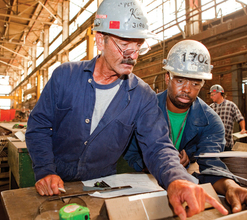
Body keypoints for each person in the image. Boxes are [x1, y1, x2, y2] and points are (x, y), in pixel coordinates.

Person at [26, 0, 232, 219]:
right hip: (53, 183)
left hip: (100, 188)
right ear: (99, 40)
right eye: (125, 45)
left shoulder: (142, 96)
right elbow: (38, 126)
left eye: (138, 46)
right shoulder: (64, 77)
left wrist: (176, 179)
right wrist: (45, 170)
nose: (132, 55)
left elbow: (158, 146)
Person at [124, 39, 247, 214]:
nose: (187, 89)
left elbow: (211, 166)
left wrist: (230, 186)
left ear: (202, 85)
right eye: (180, 81)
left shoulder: (211, 123)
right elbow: (129, 154)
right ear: (167, 77)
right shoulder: (144, 108)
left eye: (195, 83)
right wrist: (161, 163)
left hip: (182, 188)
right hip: (140, 186)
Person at [209, 84, 247, 151]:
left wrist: (243, 129)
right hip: (213, 143)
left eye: (212, 95)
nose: (211, 97)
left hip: (227, 143)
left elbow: (240, 118)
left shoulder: (230, 105)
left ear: (219, 93)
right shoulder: (210, 108)